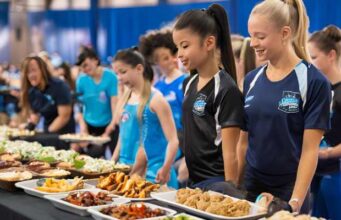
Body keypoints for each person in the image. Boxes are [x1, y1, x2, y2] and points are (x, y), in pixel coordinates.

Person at [237, 0, 331, 214]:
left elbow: (310, 150)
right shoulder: (251, 80)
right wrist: (235, 185)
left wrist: (294, 203)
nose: (252, 43)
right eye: (251, 35)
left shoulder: (313, 81)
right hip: (251, 189)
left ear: (285, 33)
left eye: (260, 37)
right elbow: (244, 142)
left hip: (289, 190)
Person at [172, 3, 244, 193]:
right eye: (177, 47)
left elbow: (231, 152)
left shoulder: (227, 89)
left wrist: (231, 194)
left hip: (217, 184)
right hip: (193, 183)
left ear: (209, 43)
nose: (179, 54)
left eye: (185, 46)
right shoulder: (189, 83)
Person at [112, 48, 179, 189]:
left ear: (139, 68)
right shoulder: (125, 98)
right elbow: (122, 135)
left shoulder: (156, 100)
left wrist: (165, 168)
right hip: (126, 171)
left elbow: (173, 140)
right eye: (117, 74)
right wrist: (112, 162)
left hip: (154, 173)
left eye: (123, 72)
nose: (119, 77)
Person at [139, 29, 188, 185]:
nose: (166, 62)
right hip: (163, 140)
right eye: (160, 59)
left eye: (168, 57)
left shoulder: (185, 81)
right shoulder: (158, 86)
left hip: (182, 138)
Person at [308, 25, 341, 220]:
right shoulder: (318, 90)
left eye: (314, 57)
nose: (310, 63)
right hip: (316, 173)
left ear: (331, 55)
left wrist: (327, 152)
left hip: (336, 175)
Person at [20, 56, 75, 146]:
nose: (31, 75)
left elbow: (64, 117)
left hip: (64, 135)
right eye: (28, 72)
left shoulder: (59, 86)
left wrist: (46, 132)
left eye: (34, 70)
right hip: (47, 132)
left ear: (43, 70)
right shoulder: (32, 91)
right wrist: (27, 128)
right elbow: (35, 115)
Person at [75, 48, 119, 158]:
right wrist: (83, 127)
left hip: (109, 123)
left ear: (95, 60)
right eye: (81, 67)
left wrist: (111, 126)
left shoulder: (111, 77)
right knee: (91, 158)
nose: (84, 69)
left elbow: (115, 105)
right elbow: (79, 107)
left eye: (86, 65)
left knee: (116, 158)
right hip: (90, 125)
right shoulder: (81, 80)